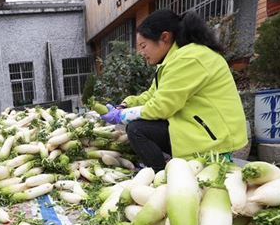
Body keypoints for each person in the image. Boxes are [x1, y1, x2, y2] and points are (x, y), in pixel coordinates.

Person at [101, 9, 248, 171]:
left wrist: (121, 116)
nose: (141, 53)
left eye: (143, 46)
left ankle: (158, 173)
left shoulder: (189, 59)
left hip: (214, 138)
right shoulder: (173, 60)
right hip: (196, 128)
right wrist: (125, 104)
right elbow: (152, 94)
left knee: (137, 129)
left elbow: (161, 107)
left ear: (165, 37)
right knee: (139, 125)